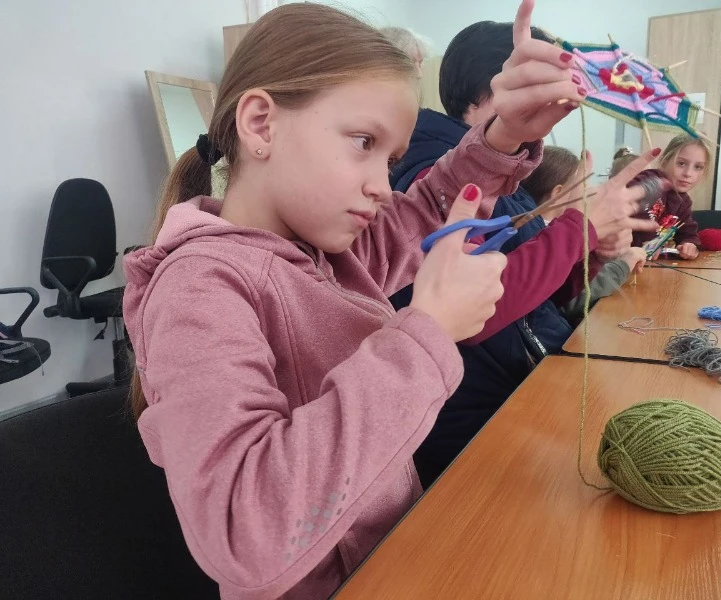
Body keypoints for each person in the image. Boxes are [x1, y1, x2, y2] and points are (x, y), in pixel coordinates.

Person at [122, 2, 646, 597]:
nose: (380, 184)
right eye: (362, 142)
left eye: (391, 159)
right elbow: (245, 532)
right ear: (261, 124)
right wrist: (427, 332)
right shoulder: (199, 287)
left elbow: (424, 208)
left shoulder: (328, 251)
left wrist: (507, 133)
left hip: (395, 563)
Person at [387, 18, 658, 487]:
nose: (558, 107)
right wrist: (580, 228)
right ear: (489, 91)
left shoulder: (506, 174)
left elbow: (538, 294)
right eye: (542, 85)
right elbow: (478, 312)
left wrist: (590, 251)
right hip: (478, 423)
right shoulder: (430, 174)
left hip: (531, 382)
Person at [521, 146, 647, 325]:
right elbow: (570, 300)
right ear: (559, 194)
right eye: (582, 187)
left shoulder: (545, 230)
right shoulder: (545, 237)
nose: (589, 194)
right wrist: (623, 265)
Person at [632, 135, 709, 259]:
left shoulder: (684, 202)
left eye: (698, 167)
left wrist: (689, 244)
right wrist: (650, 240)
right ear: (665, 160)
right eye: (681, 163)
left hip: (649, 265)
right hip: (617, 261)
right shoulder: (648, 180)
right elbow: (628, 197)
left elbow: (688, 233)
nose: (688, 173)